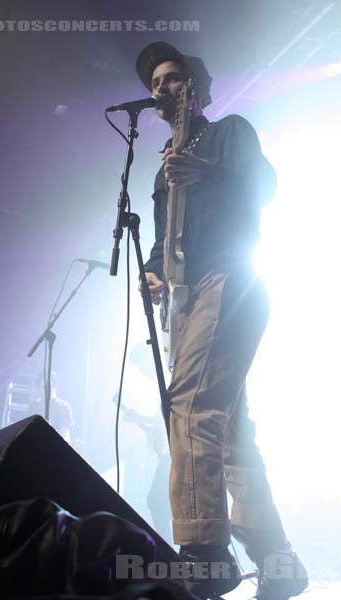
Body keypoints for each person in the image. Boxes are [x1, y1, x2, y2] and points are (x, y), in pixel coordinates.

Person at [135, 41, 308, 599]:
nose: (162, 87)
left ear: (197, 88)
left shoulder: (229, 131)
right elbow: (166, 242)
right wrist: (153, 271)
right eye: (155, 82)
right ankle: (278, 563)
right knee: (230, 428)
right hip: (186, 297)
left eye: (173, 77)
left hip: (230, 279)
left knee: (189, 408)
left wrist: (208, 172)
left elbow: (268, 188)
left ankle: (205, 552)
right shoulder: (163, 169)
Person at [31, 371, 75, 445]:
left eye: (47, 387)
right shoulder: (35, 406)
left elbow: (65, 431)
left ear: (55, 387)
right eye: (41, 387)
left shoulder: (63, 406)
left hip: (56, 446)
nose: (44, 390)